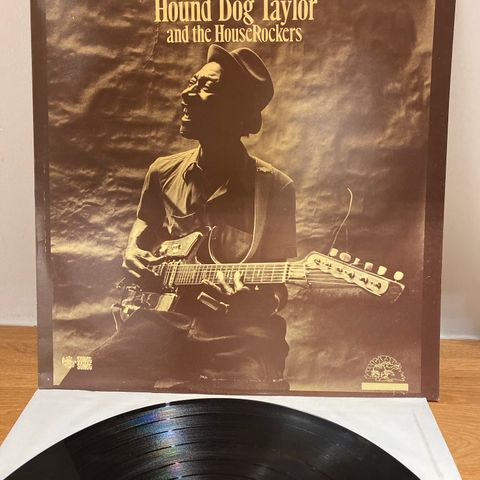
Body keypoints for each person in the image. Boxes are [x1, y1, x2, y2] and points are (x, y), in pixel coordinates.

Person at [61, 45, 297, 393]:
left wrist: (253, 300)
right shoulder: (162, 171)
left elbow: (279, 284)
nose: (186, 94)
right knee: (83, 381)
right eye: (192, 82)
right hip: (162, 315)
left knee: (237, 403)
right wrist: (132, 248)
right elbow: (144, 223)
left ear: (236, 110)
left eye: (206, 87)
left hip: (237, 330)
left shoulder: (275, 187)